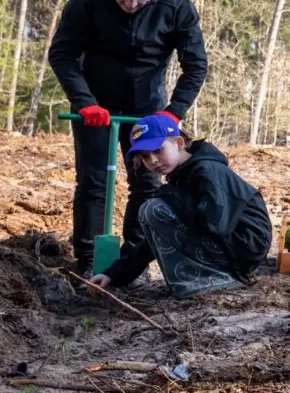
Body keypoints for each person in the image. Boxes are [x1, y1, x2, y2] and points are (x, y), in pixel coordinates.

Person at [48, 0, 208, 274]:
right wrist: (84, 102)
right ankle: (90, 260)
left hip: (148, 108)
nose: (131, 3)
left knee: (147, 181)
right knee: (93, 182)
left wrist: (173, 113)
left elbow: (196, 66)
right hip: (94, 104)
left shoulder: (175, 6)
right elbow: (62, 53)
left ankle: (133, 261)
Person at [90, 113, 271, 299]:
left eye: (158, 150)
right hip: (230, 243)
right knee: (153, 211)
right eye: (144, 156)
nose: (152, 160)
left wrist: (172, 197)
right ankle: (201, 278)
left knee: (154, 209)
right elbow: (154, 239)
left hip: (245, 245)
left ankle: (214, 279)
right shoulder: (181, 176)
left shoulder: (207, 170)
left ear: (179, 143)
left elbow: (215, 224)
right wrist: (113, 274)